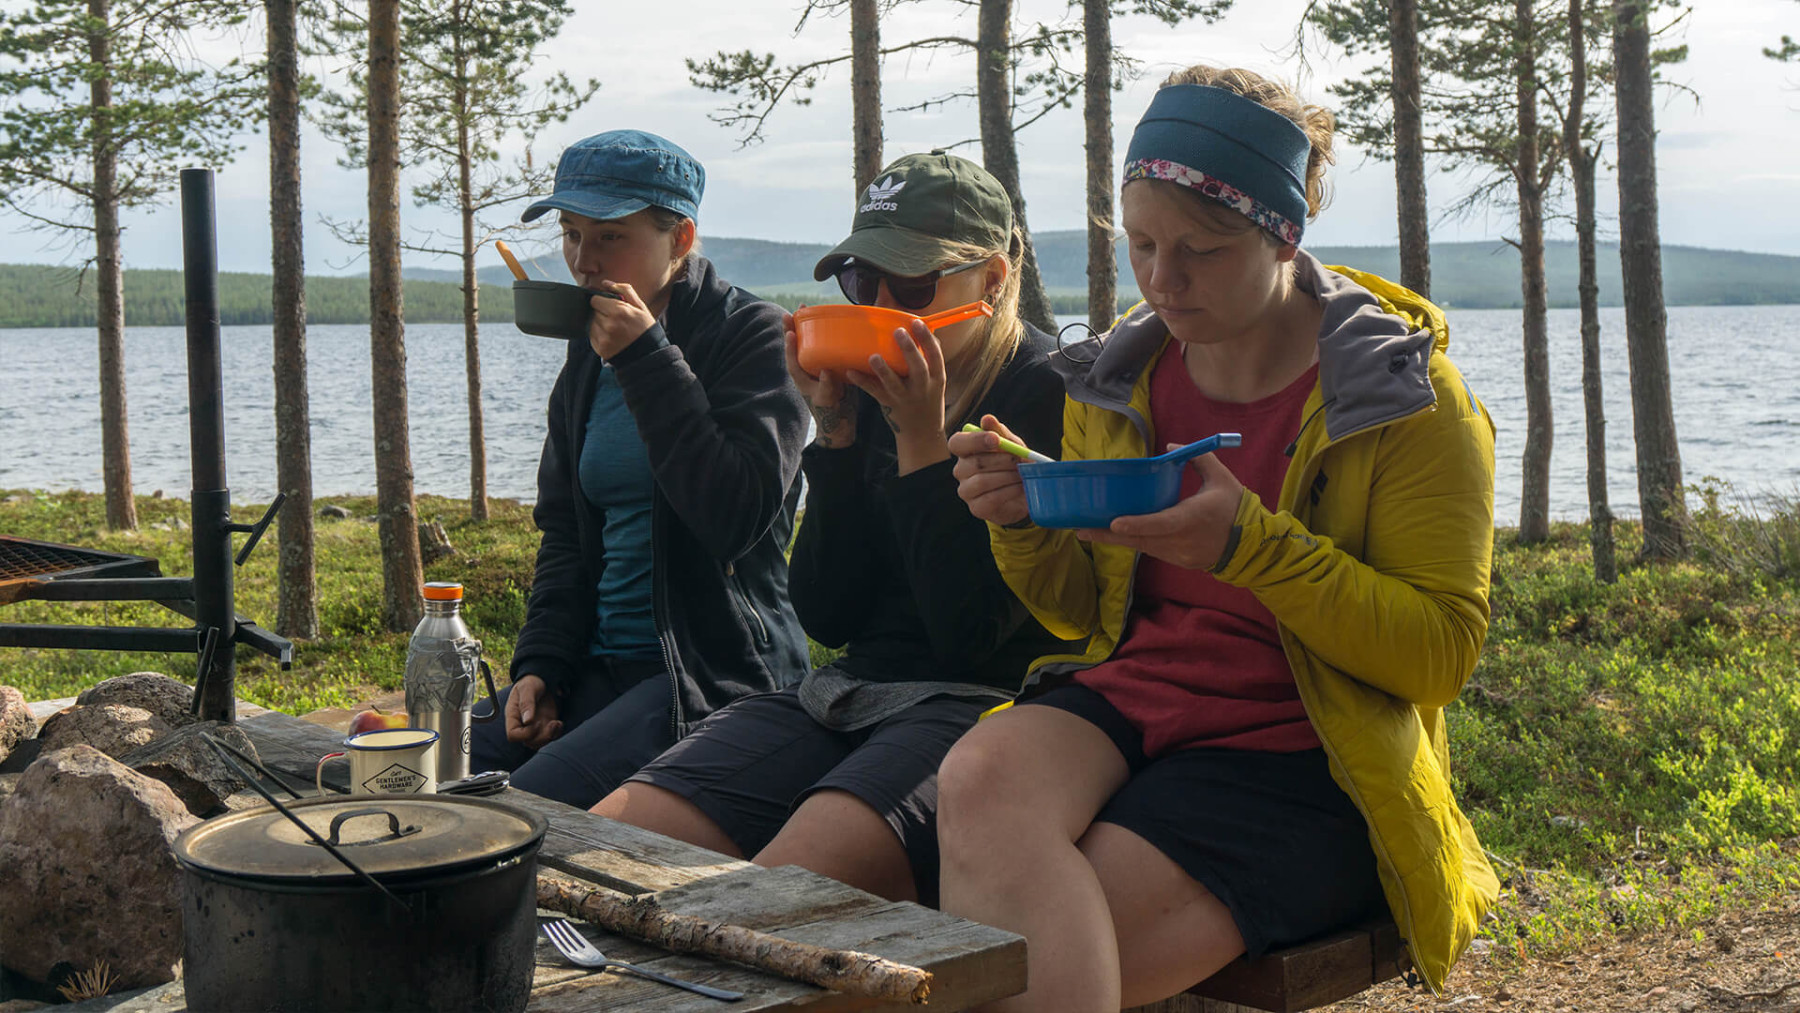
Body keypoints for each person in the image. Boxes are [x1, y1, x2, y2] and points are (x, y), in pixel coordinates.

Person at [941, 66, 1500, 1011]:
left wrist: (1253, 548)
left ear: (1285, 236)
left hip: (1308, 748)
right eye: (1143, 243)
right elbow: (1081, 611)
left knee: (1017, 957)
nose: (1162, 279)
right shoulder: (1120, 376)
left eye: (1200, 248)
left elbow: (1439, 656)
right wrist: (1026, 518)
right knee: (981, 770)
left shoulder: (1408, 400)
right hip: (1137, 705)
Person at [593, 151, 1072, 906]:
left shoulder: (1049, 392)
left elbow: (972, 640)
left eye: (912, 283)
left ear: (994, 280)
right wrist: (840, 440)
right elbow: (829, 613)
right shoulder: (880, 383)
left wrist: (920, 447)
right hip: (846, 693)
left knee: (766, 903)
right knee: (603, 855)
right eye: (860, 280)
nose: (880, 301)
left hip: (986, 708)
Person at [468, 129, 811, 809]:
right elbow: (566, 533)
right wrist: (541, 666)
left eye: (609, 237)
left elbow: (734, 517)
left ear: (680, 239)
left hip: (709, 675)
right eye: (571, 233)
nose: (582, 261)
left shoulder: (754, 337)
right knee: (424, 766)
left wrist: (648, 359)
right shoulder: (587, 357)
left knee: (520, 815)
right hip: (594, 669)